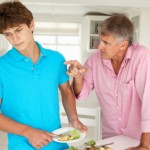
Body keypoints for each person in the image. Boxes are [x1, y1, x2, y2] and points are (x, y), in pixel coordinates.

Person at [0, 1, 87, 150]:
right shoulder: (2, 66)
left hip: (58, 143)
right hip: (21, 146)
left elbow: (66, 90)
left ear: (31, 25)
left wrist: (73, 119)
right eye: (8, 34)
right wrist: (28, 132)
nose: (14, 38)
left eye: (18, 30)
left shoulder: (57, 59)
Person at [65, 14, 150, 150]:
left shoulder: (142, 57)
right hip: (110, 138)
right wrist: (78, 76)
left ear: (123, 45)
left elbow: (148, 102)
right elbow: (82, 93)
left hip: (140, 138)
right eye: (100, 40)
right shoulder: (94, 60)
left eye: (106, 43)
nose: (99, 46)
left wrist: (145, 146)